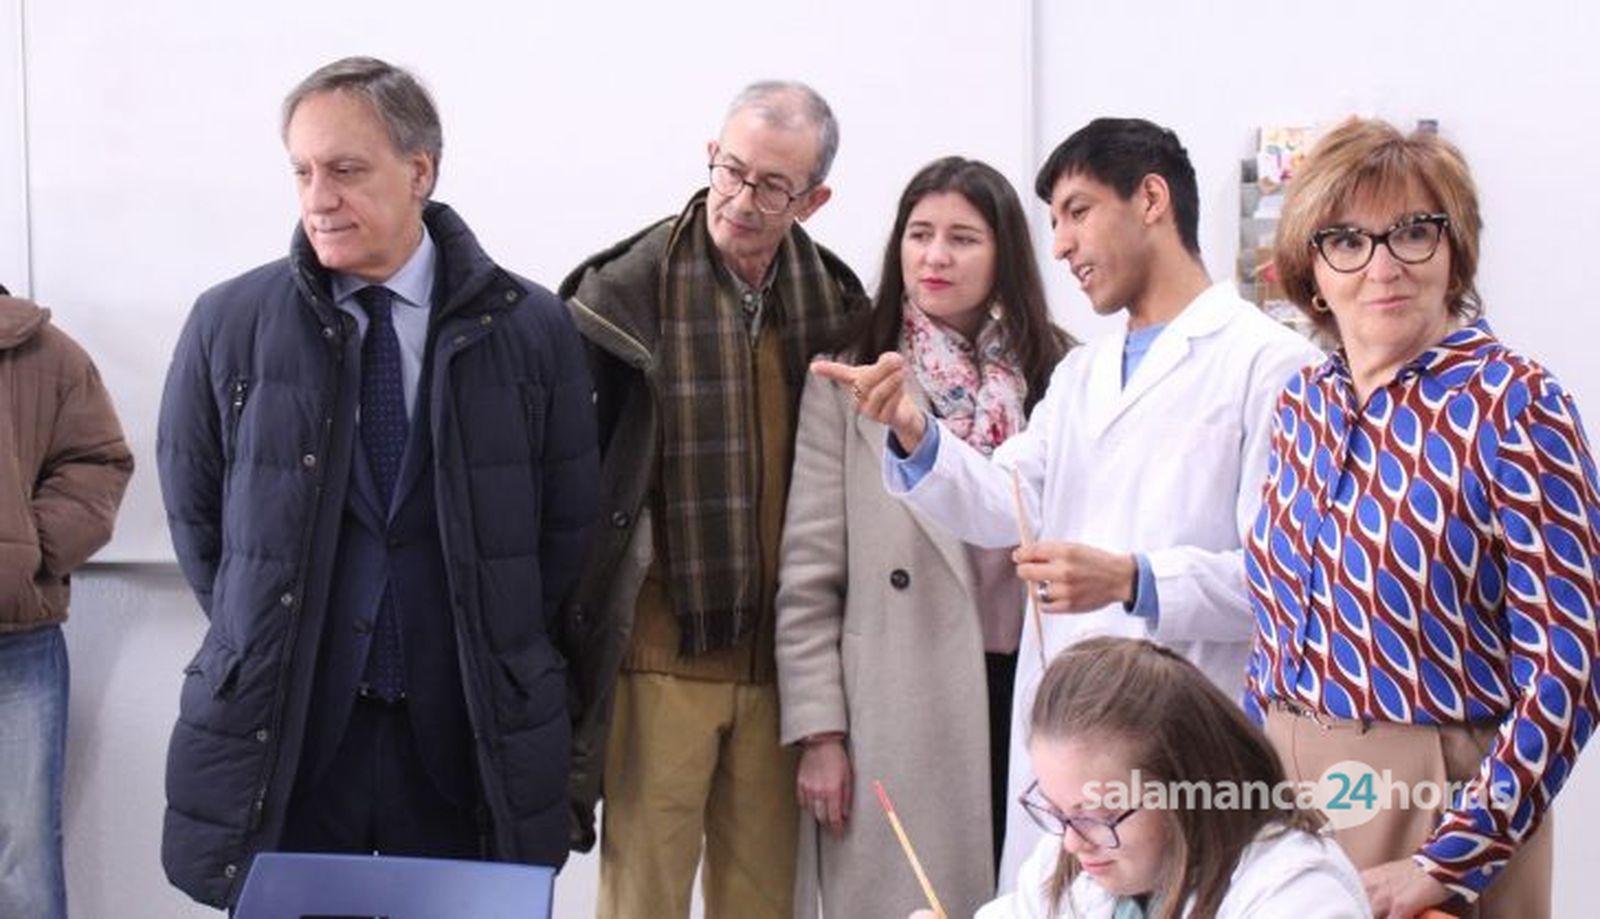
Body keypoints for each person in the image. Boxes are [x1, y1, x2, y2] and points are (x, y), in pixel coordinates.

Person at [815, 117, 1323, 886]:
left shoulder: (1271, 364)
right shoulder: (1084, 375)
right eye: (1054, 221)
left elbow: (1280, 588)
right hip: (1069, 740)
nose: (1059, 245)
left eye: (1078, 212)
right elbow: (1000, 503)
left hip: (1180, 733)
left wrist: (1133, 579)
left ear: (1151, 198)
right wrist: (914, 429)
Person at [156, 56, 598, 908]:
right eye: (303, 171)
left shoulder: (532, 326)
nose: (319, 195)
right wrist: (270, 635)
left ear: (420, 171)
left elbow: (562, 532)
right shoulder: (229, 322)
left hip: (463, 729)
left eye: (347, 170)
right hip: (294, 730)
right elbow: (199, 521)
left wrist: (487, 634)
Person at [1246, 117, 1599, 919]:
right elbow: (1272, 626)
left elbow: (1570, 670)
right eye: (1348, 240)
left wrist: (1451, 857)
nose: (1383, 265)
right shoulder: (1303, 403)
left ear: (1454, 248)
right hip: (1282, 786)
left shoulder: (1516, 404)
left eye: (1413, 231)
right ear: (1311, 270)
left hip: (1434, 796)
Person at [559, 80, 867, 918]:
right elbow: (572, 488)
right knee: (642, 899)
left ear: (814, 199)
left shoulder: (839, 307)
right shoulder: (624, 290)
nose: (743, 198)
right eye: (732, 170)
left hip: (786, 666)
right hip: (660, 652)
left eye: (774, 186)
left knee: (764, 901)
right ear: (710, 156)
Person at [778, 155, 1072, 918]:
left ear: (1004, 251)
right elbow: (811, 570)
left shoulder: (1060, 371)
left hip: (1035, 688)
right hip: (897, 698)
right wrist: (820, 732)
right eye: (920, 234)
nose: (935, 256)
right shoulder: (851, 375)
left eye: (963, 238)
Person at [911, 636, 1369, 919]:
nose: (1073, 841)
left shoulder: (1297, 893)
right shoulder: (1066, 867)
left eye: (1099, 814)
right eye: (1057, 811)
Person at [0, 284, 132, 919]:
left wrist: (25, 551)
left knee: (22, 858)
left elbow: (98, 462)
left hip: (15, 645)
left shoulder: (44, 353)